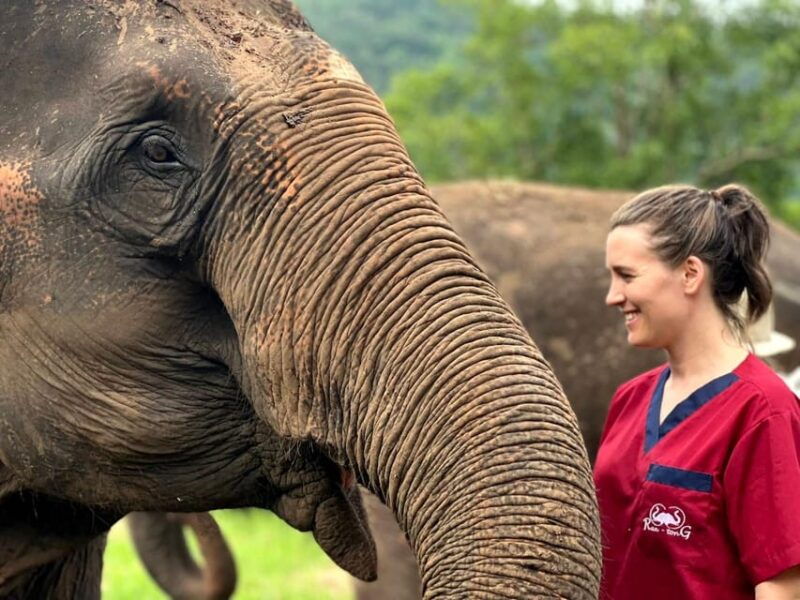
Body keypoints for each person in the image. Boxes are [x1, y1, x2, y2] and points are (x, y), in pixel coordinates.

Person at [594, 184, 800, 599]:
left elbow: (782, 584)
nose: (612, 296)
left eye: (627, 276)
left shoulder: (763, 411)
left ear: (690, 274)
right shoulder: (630, 399)